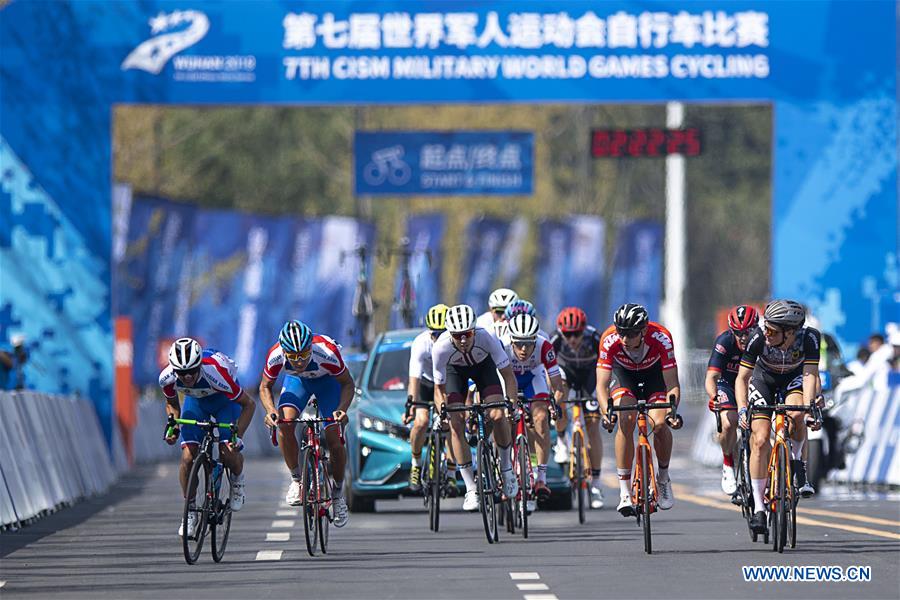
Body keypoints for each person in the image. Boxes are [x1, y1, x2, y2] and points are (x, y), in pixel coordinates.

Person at [735, 299, 822, 535]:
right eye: (766, 327)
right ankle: (759, 509)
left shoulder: (810, 338)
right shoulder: (758, 338)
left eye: (773, 330)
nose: (767, 333)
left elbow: (810, 375)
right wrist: (743, 409)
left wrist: (810, 406)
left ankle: (797, 465)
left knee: (797, 412)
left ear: (790, 332)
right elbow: (742, 378)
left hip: (794, 379)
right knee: (761, 439)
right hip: (764, 381)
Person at [259, 320, 355, 527]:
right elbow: (265, 386)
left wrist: (342, 410)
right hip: (297, 383)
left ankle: (338, 494)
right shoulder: (275, 354)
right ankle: (297, 480)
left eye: (303, 354)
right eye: (292, 357)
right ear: (284, 352)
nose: (299, 361)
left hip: (328, 384)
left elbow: (348, 383)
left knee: (334, 438)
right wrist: (271, 411)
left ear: (310, 347)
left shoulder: (326, 351)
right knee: (285, 424)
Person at [160, 338, 255, 537]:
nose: (186, 378)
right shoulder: (167, 378)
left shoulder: (215, 373)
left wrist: (239, 436)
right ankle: (190, 512)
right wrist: (173, 427)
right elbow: (173, 405)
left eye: (191, 372)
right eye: (181, 373)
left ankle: (237, 480)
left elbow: (249, 405)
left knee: (229, 452)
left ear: (199, 365)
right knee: (187, 457)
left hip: (224, 403)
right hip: (195, 404)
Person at [596, 304, 682, 517]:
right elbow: (601, 385)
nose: (625, 338)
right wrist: (607, 413)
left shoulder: (661, 337)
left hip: (654, 377)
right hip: (624, 376)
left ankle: (663, 478)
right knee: (625, 418)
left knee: (659, 424)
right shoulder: (609, 339)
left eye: (631, 333)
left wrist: (672, 412)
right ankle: (625, 491)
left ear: (643, 331)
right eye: (621, 332)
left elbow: (672, 383)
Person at [432, 304, 519, 511]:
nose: (463, 340)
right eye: (458, 335)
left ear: (474, 330)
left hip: (484, 369)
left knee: (498, 415)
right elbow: (439, 388)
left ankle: (506, 469)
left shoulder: (486, 336)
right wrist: (441, 409)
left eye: (468, 334)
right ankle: (471, 488)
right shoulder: (441, 347)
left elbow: (508, 376)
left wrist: (512, 405)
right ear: (450, 334)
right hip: (456, 373)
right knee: (455, 422)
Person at [503, 313, 565, 511]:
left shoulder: (544, 346)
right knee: (502, 419)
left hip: (533, 379)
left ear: (535, 340)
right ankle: (502, 467)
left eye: (528, 344)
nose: (523, 349)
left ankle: (541, 478)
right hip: (506, 379)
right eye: (519, 344)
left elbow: (557, 385)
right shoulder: (501, 346)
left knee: (540, 418)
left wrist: (554, 406)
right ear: (511, 340)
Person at [551, 307, 605, 509]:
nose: (572, 339)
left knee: (593, 426)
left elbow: (607, 364)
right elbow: (546, 368)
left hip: (590, 377)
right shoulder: (555, 339)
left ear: (584, 330)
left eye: (576, 334)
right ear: (561, 332)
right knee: (559, 399)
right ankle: (563, 441)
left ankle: (597, 484)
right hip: (566, 373)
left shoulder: (594, 337)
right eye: (568, 334)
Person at [704, 304, 760, 497]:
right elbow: (711, 377)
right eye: (738, 333)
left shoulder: (763, 341)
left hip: (754, 385)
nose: (743, 337)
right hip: (727, 384)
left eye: (748, 332)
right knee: (729, 423)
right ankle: (728, 462)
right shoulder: (725, 341)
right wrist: (714, 397)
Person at [404, 303, 450, 492]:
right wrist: (411, 405)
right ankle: (415, 464)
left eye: (443, 334)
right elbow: (414, 378)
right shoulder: (421, 343)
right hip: (426, 382)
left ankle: (452, 472)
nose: (438, 338)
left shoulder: (453, 342)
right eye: (434, 334)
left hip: (446, 382)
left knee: (451, 422)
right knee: (421, 422)